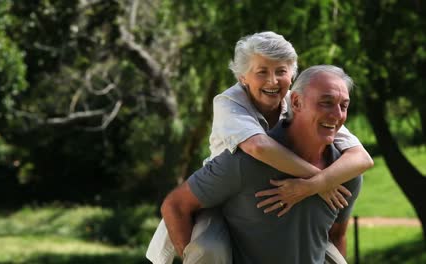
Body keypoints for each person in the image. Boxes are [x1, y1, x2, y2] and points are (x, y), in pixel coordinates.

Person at [146, 32, 373, 264]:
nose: (272, 81)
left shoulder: (300, 105)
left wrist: (318, 184)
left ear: (292, 76)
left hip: (275, 195)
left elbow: (361, 156)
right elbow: (258, 147)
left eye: (281, 71)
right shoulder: (230, 104)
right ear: (243, 77)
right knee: (208, 249)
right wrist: (317, 182)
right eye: (262, 71)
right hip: (218, 199)